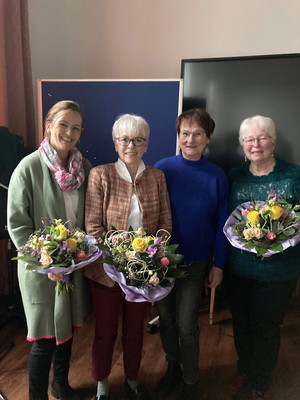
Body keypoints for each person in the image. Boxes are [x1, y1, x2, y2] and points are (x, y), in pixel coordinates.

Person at [84, 113, 172, 400]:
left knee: (134, 331)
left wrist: (149, 259)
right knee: (105, 331)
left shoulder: (157, 177)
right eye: (124, 139)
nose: (130, 145)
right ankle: (102, 383)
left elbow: (165, 226)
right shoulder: (100, 175)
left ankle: (133, 379)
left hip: (144, 273)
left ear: (146, 144)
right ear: (115, 143)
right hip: (106, 271)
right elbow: (93, 228)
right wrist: (120, 257)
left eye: (138, 140)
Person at [7, 100, 92, 400]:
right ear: (48, 125)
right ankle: (36, 396)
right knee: (44, 338)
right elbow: (18, 226)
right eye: (63, 124)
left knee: (66, 330)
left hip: (73, 265)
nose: (69, 132)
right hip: (40, 269)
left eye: (76, 127)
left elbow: (88, 219)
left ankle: (61, 386)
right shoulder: (28, 167)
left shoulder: (84, 169)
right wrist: (47, 262)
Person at [154, 108, 229, 400]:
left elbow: (223, 222)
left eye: (197, 133)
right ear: (178, 136)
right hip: (161, 263)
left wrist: (219, 264)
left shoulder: (216, 175)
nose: (190, 139)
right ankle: (172, 367)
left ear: (208, 138)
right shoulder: (162, 168)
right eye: (185, 133)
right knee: (167, 319)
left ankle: (190, 379)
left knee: (187, 323)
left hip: (196, 263)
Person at [225, 115, 300, 400]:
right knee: (241, 321)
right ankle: (244, 367)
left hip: (280, 270)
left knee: (266, 324)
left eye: (262, 138)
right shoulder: (234, 176)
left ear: (274, 141)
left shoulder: (294, 175)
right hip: (239, 267)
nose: (256, 145)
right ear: (242, 144)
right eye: (249, 139)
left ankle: (261, 375)